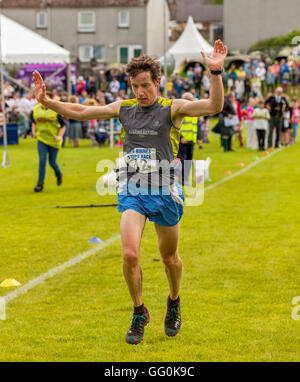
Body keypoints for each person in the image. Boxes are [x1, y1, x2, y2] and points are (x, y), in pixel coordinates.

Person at [33, 39, 227, 344]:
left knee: (170, 258)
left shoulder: (172, 108)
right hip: (133, 188)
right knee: (129, 253)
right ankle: (139, 312)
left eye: (146, 86)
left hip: (164, 192)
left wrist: (215, 73)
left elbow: (214, 106)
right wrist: (47, 102)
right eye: (135, 86)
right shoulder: (124, 109)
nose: (141, 92)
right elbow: (82, 111)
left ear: (157, 82)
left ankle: (174, 301)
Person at [31, 93, 66, 192]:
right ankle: (40, 184)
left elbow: (63, 126)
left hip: (53, 140)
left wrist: (59, 136)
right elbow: (34, 121)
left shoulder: (55, 111)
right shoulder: (36, 109)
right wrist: (33, 132)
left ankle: (59, 174)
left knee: (52, 162)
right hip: (41, 139)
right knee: (42, 161)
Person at [176, 92, 201, 185]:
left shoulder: (194, 112)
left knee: (188, 161)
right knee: (182, 161)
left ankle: (185, 179)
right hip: (182, 141)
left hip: (191, 141)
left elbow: (197, 125)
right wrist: (181, 137)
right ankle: (181, 179)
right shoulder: (179, 112)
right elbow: (174, 126)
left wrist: (199, 138)